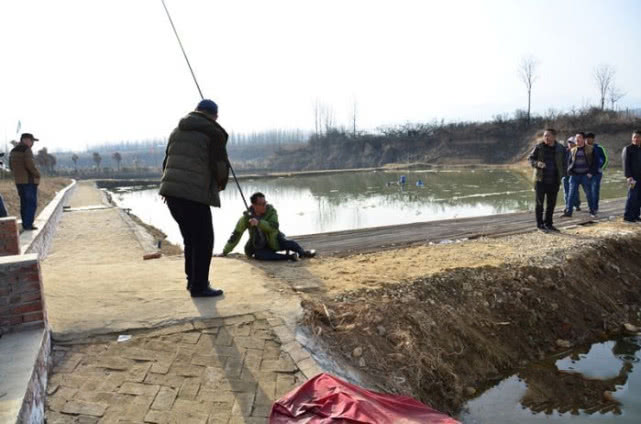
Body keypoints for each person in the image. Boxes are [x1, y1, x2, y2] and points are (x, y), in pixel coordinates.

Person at [159, 99, 229, 298]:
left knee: (191, 238)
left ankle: (193, 281)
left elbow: (167, 162)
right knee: (205, 240)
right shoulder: (213, 133)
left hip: (172, 194)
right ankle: (199, 287)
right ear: (213, 115)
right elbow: (220, 165)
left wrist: (169, 190)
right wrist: (220, 184)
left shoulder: (177, 130)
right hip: (193, 195)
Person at [222, 192, 316, 260]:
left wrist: (258, 223)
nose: (265, 205)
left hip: (275, 239)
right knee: (260, 255)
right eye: (262, 204)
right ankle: (289, 257)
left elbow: (273, 227)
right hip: (259, 244)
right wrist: (225, 251)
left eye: (265, 203)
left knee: (289, 243)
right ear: (254, 205)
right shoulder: (246, 218)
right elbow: (236, 235)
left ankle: (303, 253)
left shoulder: (272, 212)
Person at [528, 128, 566, 231]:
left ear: (554, 137)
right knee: (539, 203)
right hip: (540, 180)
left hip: (554, 181)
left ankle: (549, 223)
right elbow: (530, 159)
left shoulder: (561, 148)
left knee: (551, 204)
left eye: (548, 135)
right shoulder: (539, 147)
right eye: (545, 135)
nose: (546, 137)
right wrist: (537, 164)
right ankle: (540, 224)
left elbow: (565, 163)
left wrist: (564, 175)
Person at [9, 133, 41, 231]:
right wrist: (37, 174)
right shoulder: (27, 150)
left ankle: (25, 224)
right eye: (31, 141)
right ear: (26, 140)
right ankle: (28, 225)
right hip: (29, 181)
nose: (32, 143)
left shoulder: (13, 151)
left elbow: (10, 166)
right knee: (31, 203)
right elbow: (30, 165)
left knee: (24, 203)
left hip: (19, 181)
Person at [562, 132, 597, 218]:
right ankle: (568, 212)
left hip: (585, 175)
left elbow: (595, 163)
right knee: (571, 194)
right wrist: (569, 171)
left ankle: (592, 211)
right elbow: (569, 162)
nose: (577, 139)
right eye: (576, 138)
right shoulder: (573, 150)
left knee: (588, 194)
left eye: (579, 137)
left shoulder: (591, 149)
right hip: (574, 176)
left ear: (583, 139)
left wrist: (590, 173)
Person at [585, 132, 608, 214]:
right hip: (586, 173)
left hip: (597, 173)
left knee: (595, 190)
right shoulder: (582, 147)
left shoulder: (599, 147)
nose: (588, 140)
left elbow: (605, 158)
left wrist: (602, 168)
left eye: (590, 138)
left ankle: (595, 208)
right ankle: (590, 207)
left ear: (593, 139)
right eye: (586, 138)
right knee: (588, 191)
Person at [622, 130, 641, 223]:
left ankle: (636, 215)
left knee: (639, 198)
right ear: (632, 138)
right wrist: (628, 176)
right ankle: (628, 216)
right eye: (634, 137)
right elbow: (625, 164)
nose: (636, 139)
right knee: (632, 196)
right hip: (632, 178)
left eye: (638, 137)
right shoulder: (628, 149)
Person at [562, 137, 581, 213]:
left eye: (572, 142)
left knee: (575, 191)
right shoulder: (564, 151)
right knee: (566, 191)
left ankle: (577, 205)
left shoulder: (578, 151)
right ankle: (567, 206)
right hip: (565, 174)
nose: (570, 144)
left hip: (575, 175)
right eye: (569, 142)